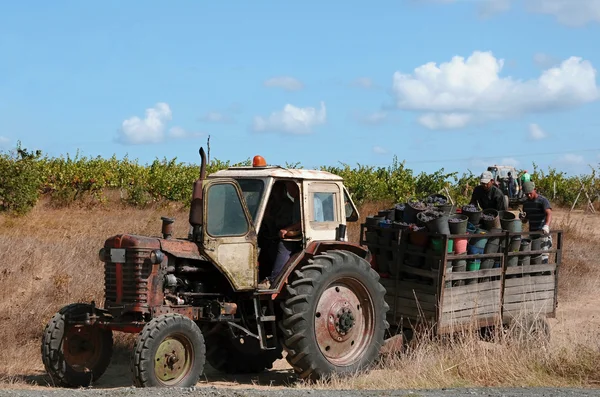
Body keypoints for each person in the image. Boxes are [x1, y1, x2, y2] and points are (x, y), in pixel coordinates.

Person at [258, 180, 302, 289]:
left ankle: (273, 280)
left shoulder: (294, 203)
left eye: (290, 188)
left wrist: (287, 229)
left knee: (283, 245)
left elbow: (305, 221)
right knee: (264, 244)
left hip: (300, 235)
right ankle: (261, 277)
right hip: (280, 233)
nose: (289, 191)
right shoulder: (275, 203)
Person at [519, 181, 552, 263]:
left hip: (542, 233)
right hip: (532, 234)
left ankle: (544, 273)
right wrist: (522, 218)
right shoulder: (526, 203)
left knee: (543, 256)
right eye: (527, 194)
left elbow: (549, 213)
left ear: (535, 190)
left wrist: (546, 225)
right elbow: (525, 220)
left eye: (530, 193)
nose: (529, 196)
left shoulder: (543, 201)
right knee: (532, 256)